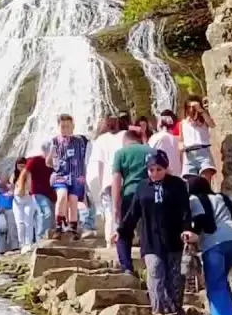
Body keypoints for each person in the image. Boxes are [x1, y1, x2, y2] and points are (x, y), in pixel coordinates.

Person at [127, 149, 194, 315]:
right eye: (151, 170)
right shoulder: (142, 187)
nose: (155, 173)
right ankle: (157, 311)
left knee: (175, 276)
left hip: (174, 238)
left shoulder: (177, 185)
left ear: (165, 168)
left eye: (159, 169)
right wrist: (122, 231)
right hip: (150, 239)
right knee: (155, 270)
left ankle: (174, 310)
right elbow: (133, 212)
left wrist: (187, 228)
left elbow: (185, 210)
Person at [191, 168, 232, 315]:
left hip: (214, 243)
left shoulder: (194, 199)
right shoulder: (222, 197)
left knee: (215, 285)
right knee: (221, 281)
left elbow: (199, 222)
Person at [110, 118, 154, 275]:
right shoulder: (149, 150)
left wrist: (115, 206)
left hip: (129, 195)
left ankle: (127, 267)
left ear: (125, 141)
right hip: (149, 194)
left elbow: (116, 181)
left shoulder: (120, 153)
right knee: (148, 231)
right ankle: (151, 266)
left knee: (124, 232)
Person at [89, 114, 126, 262]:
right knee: (118, 211)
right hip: (121, 180)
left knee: (111, 212)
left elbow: (98, 164)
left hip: (109, 181)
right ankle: (118, 240)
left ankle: (110, 242)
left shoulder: (100, 140)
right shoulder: (124, 135)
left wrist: (99, 184)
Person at [45, 115, 89, 237]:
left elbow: (84, 158)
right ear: (58, 127)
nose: (65, 129)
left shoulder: (79, 141)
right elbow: (48, 162)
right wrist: (52, 159)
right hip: (60, 175)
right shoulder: (54, 142)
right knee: (62, 195)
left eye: (68, 126)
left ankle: (73, 226)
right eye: (63, 127)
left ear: (73, 127)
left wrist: (84, 176)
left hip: (75, 175)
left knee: (73, 200)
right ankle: (59, 225)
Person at [16, 151, 54, 248]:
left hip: (53, 194)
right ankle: (40, 240)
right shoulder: (36, 160)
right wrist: (21, 187)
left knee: (50, 218)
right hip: (38, 192)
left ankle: (47, 240)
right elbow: (24, 172)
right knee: (46, 213)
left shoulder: (56, 161)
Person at [181, 97, 217, 176]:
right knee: (191, 183)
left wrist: (201, 110)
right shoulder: (183, 122)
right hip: (189, 154)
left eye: (193, 107)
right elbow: (181, 139)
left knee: (205, 182)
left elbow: (212, 125)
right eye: (189, 107)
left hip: (203, 151)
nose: (191, 109)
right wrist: (181, 147)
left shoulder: (203, 120)